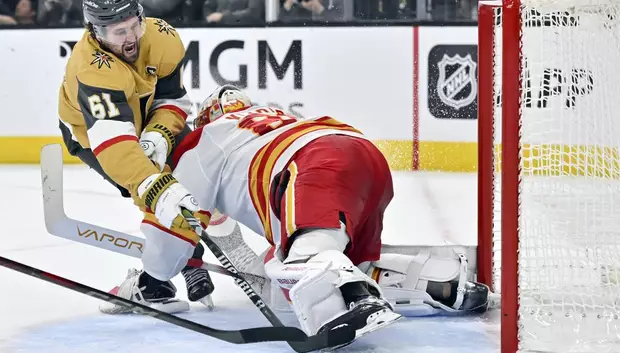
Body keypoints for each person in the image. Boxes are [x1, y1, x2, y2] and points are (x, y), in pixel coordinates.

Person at [171, 85, 492, 338]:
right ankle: (443, 285)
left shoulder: (210, 139)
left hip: (313, 166)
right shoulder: (271, 118)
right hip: (362, 155)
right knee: (348, 264)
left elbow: (188, 219)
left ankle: (360, 300)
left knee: (301, 268)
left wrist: (190, 265)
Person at [57, 0, 214, 314]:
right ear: (97, 32)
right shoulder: (91, 68)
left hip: (145, 118)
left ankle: (187, 255)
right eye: (119, 32)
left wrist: (158, 132)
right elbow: (117, 147)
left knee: (197, 172)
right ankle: (157, 282)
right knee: (155, 193)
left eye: (134, 26)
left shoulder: (162, 37)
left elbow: (173, 99)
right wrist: (152, 185)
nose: (131, 38)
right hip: (94, 135)